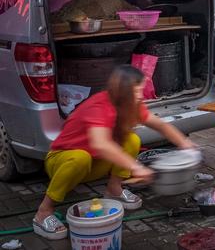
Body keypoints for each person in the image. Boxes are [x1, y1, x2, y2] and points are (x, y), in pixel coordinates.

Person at [33, 65, 195, 240]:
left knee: (132, 139)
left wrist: (185, 144)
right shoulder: (98, 105)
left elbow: (161, 125)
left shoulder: (131, 104)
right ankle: (43, 212)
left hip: (94, 163)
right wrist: (136, 167)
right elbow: (101, 144)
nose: (140, 95)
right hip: (61, 160)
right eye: (136, 91)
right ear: (122, 91)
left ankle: (114, 190)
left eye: (141, 89)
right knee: (80, 157)